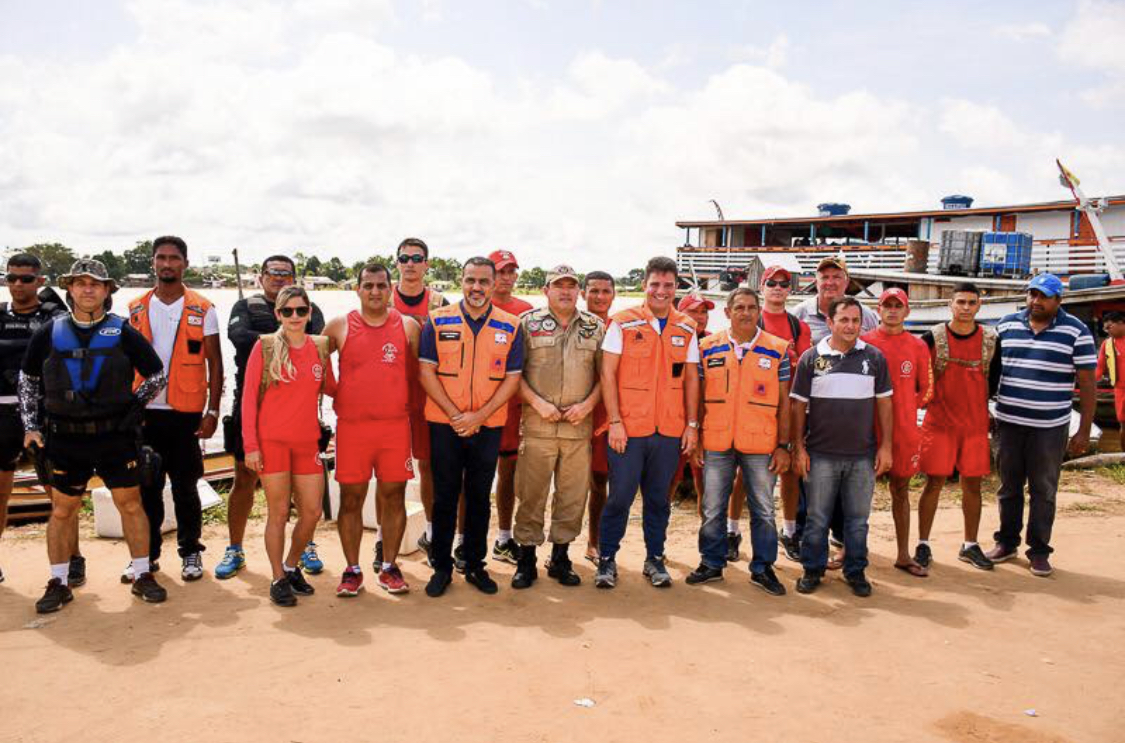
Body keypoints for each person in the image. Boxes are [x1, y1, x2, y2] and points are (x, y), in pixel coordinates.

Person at [22, 259, 169, 613]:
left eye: (96, 284)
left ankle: (142, 574)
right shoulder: (49, 331)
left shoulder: (123, 331)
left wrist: (135, 405)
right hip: (65, 438)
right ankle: (59, 582)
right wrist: (31, 426)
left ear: (107, 291)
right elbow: (28, 380)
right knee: (63, 510)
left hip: (114, 436)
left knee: (130, 505)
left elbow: (157, 374)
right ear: (69, 289)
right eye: (80, 283)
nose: (88, 289)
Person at [419, 257, 524, 597]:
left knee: (479, 496)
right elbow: (426, 373)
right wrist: (456, 415)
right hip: (444, 423)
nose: (476, 288)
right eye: (470, 280)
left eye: (483, 281)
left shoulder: (511, 325)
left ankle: (476, 564)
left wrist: (478, 416)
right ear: (461, 282)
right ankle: (441, 566)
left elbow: (512, 379)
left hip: (488, 425)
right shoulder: (437, 320)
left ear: (494, 285)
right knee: (445, 495)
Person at [217, 255, 325, 580]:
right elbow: (239, 337)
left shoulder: (311, 308)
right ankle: (235, 547)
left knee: (305, 491)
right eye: (273, 272)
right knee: (243, 478)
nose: (279, 277)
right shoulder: (245, 306)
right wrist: (276, 340)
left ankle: (305, 545)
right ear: (262, 276)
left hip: (298, 408)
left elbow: (315, 339)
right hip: (252, 401)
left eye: (285, 273)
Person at [595, 256, 699, 589]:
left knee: (658, 500)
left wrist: (692, 424)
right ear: (644, 285)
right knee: (620, 497)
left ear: (676, 287)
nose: (661, 291)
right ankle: (607, 559)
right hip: (628, 430)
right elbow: (607, 374)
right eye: (655, 284)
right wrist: (614, 421)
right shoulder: (623, 323)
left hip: (669, 430)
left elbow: (691, 379)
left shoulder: (687, 326)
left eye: (668, 285)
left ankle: (655, 558)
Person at [126, 236, 223, 583]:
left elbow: (215, 363)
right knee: (147, 487)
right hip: (146, 412)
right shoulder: (135, 308)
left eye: (174, 258)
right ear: (153, 262)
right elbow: (123, 362)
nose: (167, 264)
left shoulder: (203, 308)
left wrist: (213, 412)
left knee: (185, 487)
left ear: (185, 263)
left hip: (186, 413)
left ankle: (191, 551)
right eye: (161, 257)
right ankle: (146, 556)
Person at [988, 274, 1095, 577]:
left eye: (1044, 296)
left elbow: (1087, 384)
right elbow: (991, 372)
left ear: (1058, 300)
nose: (1036, 301)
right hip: (1008, 422)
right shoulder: (1006, 325)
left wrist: (1084, 430)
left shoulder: (1077, 331)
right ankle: (1006, 542)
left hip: (1050, 427)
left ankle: (1038, 550)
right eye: (1032, 294)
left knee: (1043, 490)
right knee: (1008, 487)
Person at [687, 288, 791, 595]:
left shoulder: (778, 349)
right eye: (739, 307)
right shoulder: (706, 347)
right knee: (712, 507)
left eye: (751, 307)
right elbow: (698, 397)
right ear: (727, 312)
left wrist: (784, 445)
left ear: (759, 311)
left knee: (763, 510)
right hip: (716, 439)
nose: (746, 313)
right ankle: (711, 562)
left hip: (762, 443)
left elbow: (786, 402)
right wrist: (697, 436)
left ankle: (763, 568)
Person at [325, 263, 420, 597]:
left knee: (394, 496)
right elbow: (314, 362)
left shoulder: (407, 326)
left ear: (390, 289)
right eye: (368, 285)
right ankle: (352, 570)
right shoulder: (339, 325)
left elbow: (420, 373)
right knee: (351, 499)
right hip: (353, 429)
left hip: (394, 428)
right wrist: (338, 393)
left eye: (381, 285)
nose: (375, 292)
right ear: (358, 289)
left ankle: (390, 566)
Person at [790, 296, 892, 597]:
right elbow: (798, 407)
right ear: (830, 322)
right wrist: (798, 448)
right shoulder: (811, 358)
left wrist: (886, 446)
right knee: (817, 519)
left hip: (862, 455)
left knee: (858, 521)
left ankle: (855, 571)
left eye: (855, 320)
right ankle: (812, 569)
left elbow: (885, 404)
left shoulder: (874, 358)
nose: (850, 326)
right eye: (843, 320)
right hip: (820, 454)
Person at [511, 265, 604, 589]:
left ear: (579, 291)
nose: (565, 291)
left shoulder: (595, 327)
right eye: (558, 285)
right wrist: (538, 403)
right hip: (538, 426)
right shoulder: (527, 324)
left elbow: (606, 376)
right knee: (531, 495)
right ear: (545, 290)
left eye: (571, 285)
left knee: (572, 497)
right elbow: (513, 374)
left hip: (578, 428)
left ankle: (560, 557)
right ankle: (526, 559)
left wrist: (588, 405)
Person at [241, 286, 335, 607]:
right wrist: (251, 446)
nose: (295, 316)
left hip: (307, 441)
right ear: (277, 314)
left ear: (309, 313)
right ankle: (277, 578)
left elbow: (335, 388)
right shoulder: (265, 347)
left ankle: (292, 566)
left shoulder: (319, 348)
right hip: (272, 444)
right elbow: (248, 400)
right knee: (279, 512)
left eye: (301, 310)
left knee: (312, 512)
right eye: (287, 311)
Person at [792, 256, 878, 567]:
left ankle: (843, 543)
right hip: (812, 414)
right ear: (815, 281)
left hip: (851, 416)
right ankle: (806, 546)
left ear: (846, 281)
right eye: (824, 276)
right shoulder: (800, 314)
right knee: (810, 489)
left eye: (836, 276)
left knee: (848, 491)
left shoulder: (866, 315)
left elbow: (874, 357)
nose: (830, 282)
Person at [0, 254, 76, 586]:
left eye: (26, 279)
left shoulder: (53, 317)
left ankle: (73, 560)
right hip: (3, 412)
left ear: (40, 281)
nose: (18, 284)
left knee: (60, 494)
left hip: (44, 413)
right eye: (11, 278)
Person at [731, 264, 811, 562]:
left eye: (783, 284)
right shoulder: (752, 318)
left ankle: (789, 531)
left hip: (788, 406)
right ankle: (731, 531)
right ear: (762, 287)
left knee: (790, 472)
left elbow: (803, 368)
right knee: (743, 473)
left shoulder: (797, 326)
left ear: (790, 289)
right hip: (754, 408)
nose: (778, 288)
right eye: (772, 283)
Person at [917, 283, 998, 571]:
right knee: (933, 483)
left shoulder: (991, 340)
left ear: (979, 306)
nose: (965, 307)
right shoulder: (933, 337)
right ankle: (923, 543)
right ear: (950, 304)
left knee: (973, 485)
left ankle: (970, 544)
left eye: (971, 302)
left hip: (974, 426)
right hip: (939, 424)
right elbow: (920, 379)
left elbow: (994, 382)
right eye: (960, 302)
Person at [463, 248, 533, 567]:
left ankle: (504, 539)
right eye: (501, 271)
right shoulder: (471, 307)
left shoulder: (526, 311)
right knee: (470, 477)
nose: (506, 277)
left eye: (511, 271)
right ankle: (463, 541)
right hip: (475, 405)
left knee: (508, 474)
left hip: (512, 406)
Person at [861, 289, 933, 577]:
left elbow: (927, 388)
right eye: (887, 305)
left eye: (897, 306)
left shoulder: (917, 346)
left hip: (904, 431)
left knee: (900, 490)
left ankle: (903, 554)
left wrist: (905, 407)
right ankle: (850, 549)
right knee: (857, 492)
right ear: (878, 309)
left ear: (907, 311)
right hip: (868, 429)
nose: (892, 310)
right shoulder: (865, 342)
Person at [391, 237, 448, 562]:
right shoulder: (382, 298)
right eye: (404, 258)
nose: (410, 264)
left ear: (426, 264)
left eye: (416, 258)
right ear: (397, 263)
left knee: (429, 467)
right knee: (391, 472)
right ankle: (385, 539)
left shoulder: (439, 303)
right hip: (392, 398)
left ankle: (431, 533)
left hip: (428, 397)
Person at [581, 270, 615, 564]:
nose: (600, 297)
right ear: (583, 294)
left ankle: (599, 542)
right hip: (578, 414)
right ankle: (580, 543)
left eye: (605, 291)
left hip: (612, 414)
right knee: (581, 484)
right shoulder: (575, 326)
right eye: (594, 291)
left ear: (613, 295)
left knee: (605, 482)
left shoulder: (621, 327)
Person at [666, 293, 711, 507]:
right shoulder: (669, 338)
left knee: (706, 484)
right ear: (680, 313)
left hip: (706, 421)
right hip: (675, 420)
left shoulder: (714, 342)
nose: (700, 316)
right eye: (693, 311)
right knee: (669, 479)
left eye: (704, 312)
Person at [1095, 311, 1125, 452]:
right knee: (1123, 424)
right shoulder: (1107, 344)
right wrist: (1086, 383)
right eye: (1105, 328)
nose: (1107, 331)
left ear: (1121, 323)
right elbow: (1099, 368)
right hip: (1120, 390)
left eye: (1109, 327)